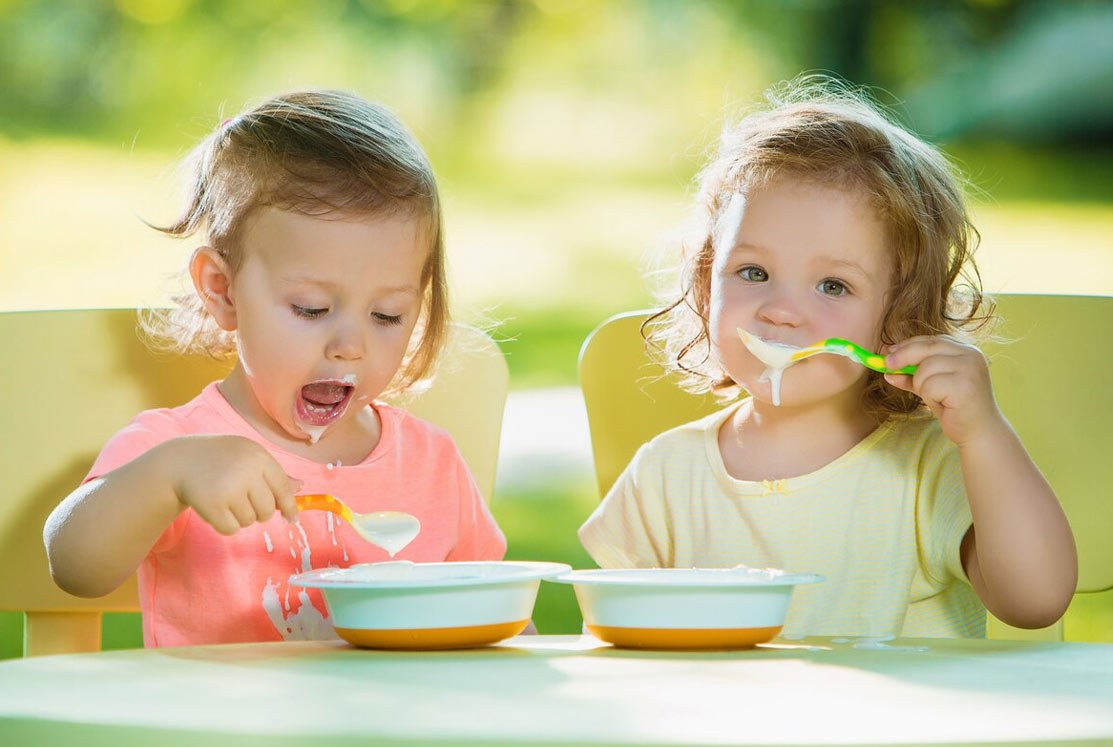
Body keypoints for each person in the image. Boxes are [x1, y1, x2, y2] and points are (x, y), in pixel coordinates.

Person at [578, 78, 1077, 638]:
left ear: (901, 317)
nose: (782, 312)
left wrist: (985, 436)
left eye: (833, 286)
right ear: (705, 284)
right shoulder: (666, 475)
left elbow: (1036, 602)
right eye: (754, 273)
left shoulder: (929, 467)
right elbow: (618, 649)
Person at [44, 90, 507, 646]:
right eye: (311, 308)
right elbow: (74, 565)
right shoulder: (181, 447)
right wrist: (166, 478)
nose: (350, 345)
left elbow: (495, 615)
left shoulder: (432, 462)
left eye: (388, 315)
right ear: (223, 289)